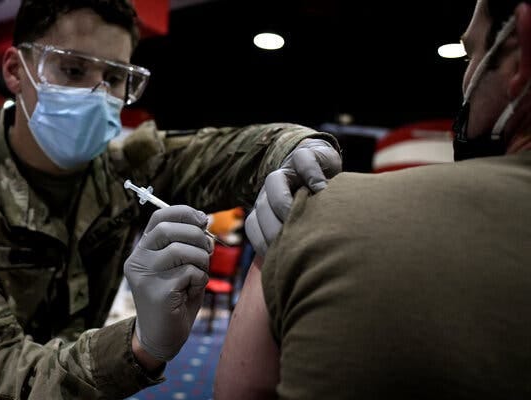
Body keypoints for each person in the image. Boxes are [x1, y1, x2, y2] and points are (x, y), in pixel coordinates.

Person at [0, 1, 343, 399]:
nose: (97, 94)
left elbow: (234, 151)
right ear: (15, 70)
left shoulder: (121, 167)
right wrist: (139, 344)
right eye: (73, 69)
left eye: (113, 78)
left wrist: (299, 150)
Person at [215, 0, 531, 398]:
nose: (465, 78)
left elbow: (239, 392)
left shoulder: (321, 211)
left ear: (520, 50)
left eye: (472, 54)